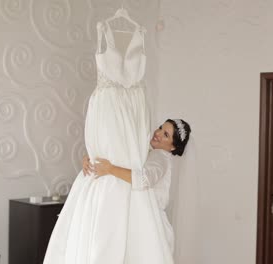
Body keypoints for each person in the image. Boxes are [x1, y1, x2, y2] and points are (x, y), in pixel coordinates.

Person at [44, 8, 170, 264]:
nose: (158, 134)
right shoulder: (104, 35)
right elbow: (101, 130)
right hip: (105, 173)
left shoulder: (139, 99)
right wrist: (90, 155)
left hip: (123, 173)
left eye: (165, 134)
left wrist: (110, 165)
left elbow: (134, 142)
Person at [82, 119, 191, 258]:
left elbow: (144, 179)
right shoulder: (149, 152)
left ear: (173, 147)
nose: (157, 133)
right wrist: (88, 158)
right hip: (143, 219)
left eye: (166, 135)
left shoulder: (161, 157)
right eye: (160, 128)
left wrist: (110, 169)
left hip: (150, 225)